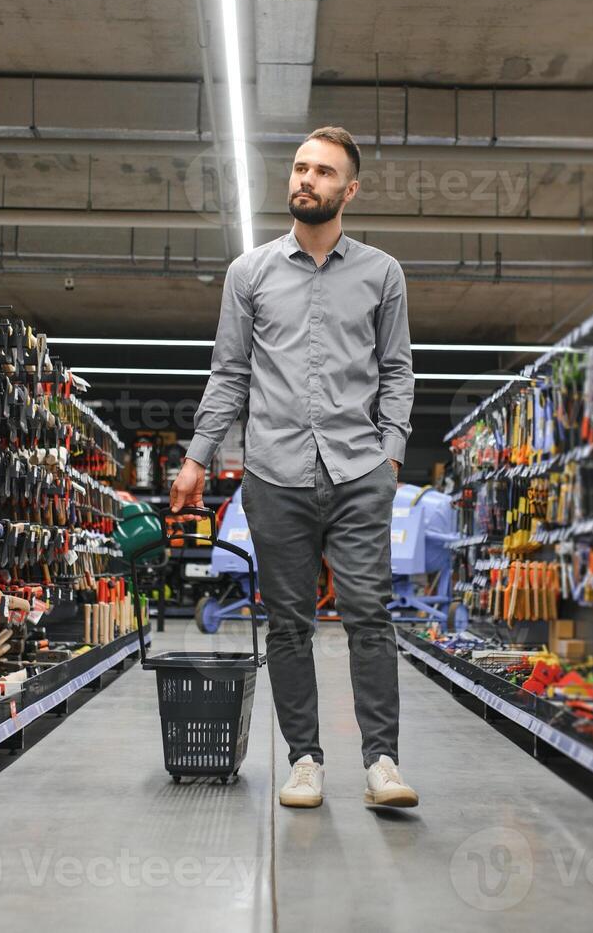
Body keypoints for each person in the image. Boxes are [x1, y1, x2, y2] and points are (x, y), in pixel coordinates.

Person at [169, 126, 417, 810]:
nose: (306, 180)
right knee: (288, 623)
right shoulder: (249, 273)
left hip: (357, 471)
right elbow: (229, 375)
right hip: (273, 474)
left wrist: (389, 454)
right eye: (300, 168)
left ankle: (382, 764)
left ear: (349, 189)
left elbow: (396, 371)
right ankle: (304, 758)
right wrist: (195, 460)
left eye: (323, 172)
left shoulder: (380, 273)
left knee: (368, 615)